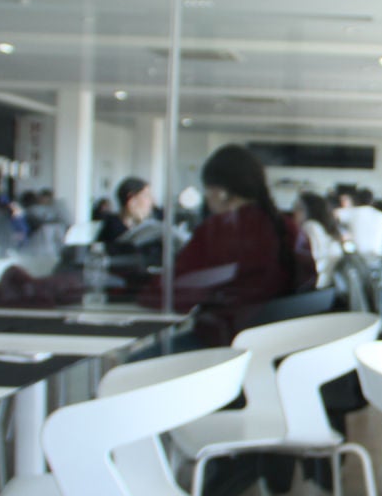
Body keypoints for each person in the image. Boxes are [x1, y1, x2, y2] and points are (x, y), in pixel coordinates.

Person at [139, 144, 314, 347]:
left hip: (223, 342)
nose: (206, 196)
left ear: (222, 192)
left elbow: (166, 294)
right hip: (272, 343)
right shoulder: (288, 228)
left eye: (207, 189)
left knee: (136, 362)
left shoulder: (220, 230)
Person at [292, 191, 344, 289]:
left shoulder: (310, 226)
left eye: (299, 208)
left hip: (315, 287)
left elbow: (314, 261)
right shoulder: (324, 230)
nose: (294, 212)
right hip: (326, 286)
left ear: (310, 210)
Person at [96, 176, 157, 244]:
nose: (151, 202)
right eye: (146, 196)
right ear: (132, 199)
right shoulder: (114, 233)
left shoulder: (137, 227)